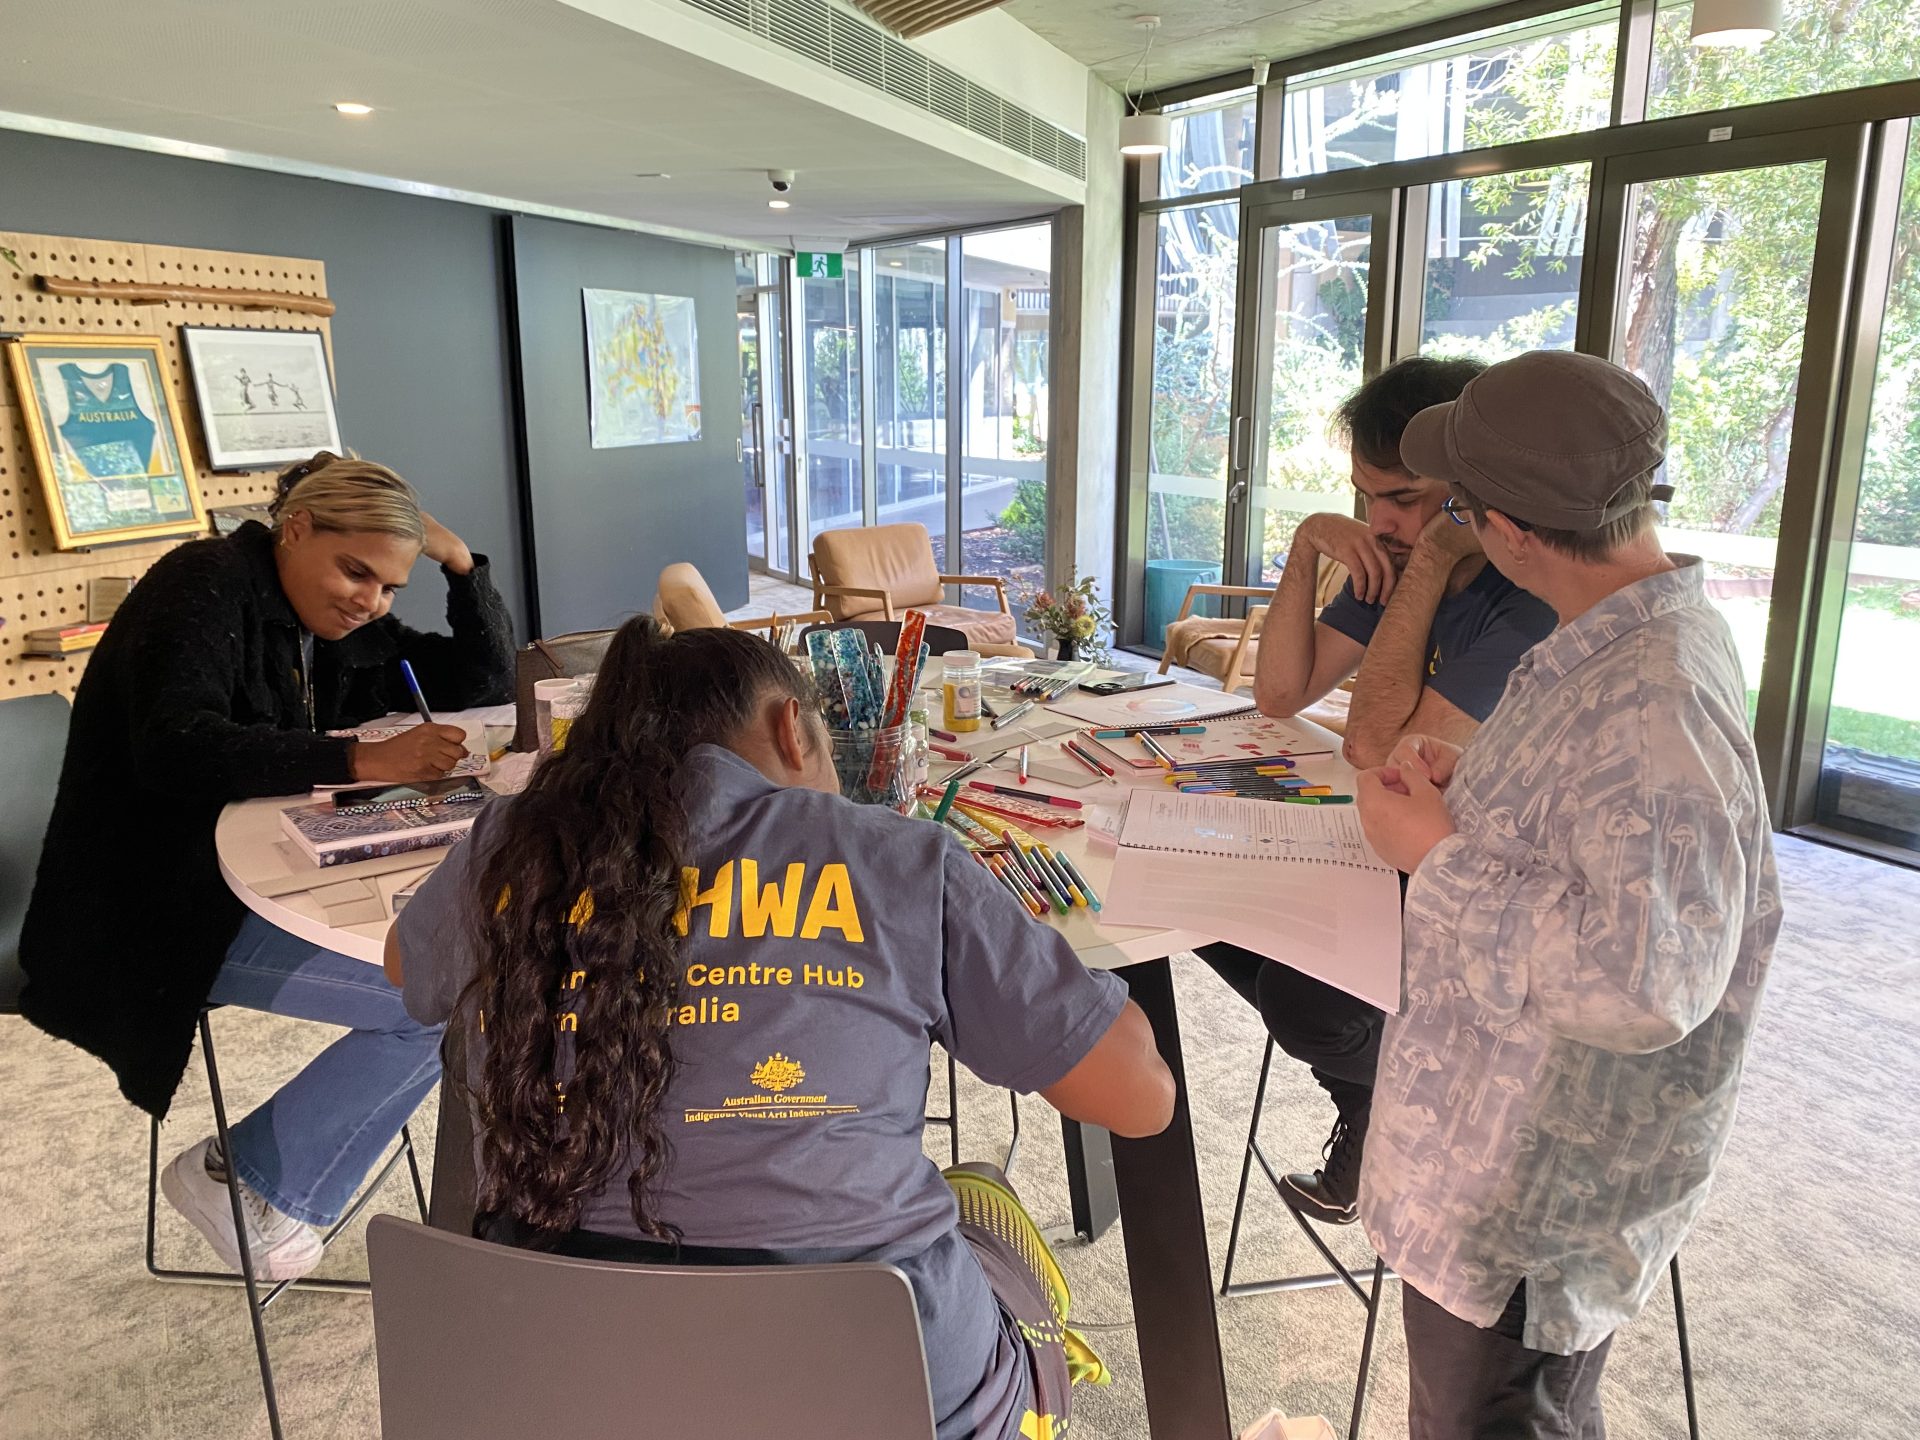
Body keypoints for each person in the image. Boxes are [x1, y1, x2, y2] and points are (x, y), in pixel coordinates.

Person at [387, 619, 1175, 1440]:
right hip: (886, 1398)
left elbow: (406, 965)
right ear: (791, 729)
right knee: (981, 1198)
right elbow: (1141, 1100)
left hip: (555, 1392)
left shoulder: (509, 847)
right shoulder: (894, 858)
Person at [1353, 350, 1780, 1439]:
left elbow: (1644, 981)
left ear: (1510, 531)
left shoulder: (1656, 697)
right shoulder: (1615, 642)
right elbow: (1594, 844)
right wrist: (1482, 799)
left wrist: (1438, 860)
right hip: (1490, 1171)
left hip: (1525, 1212)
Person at [20, 452, 515, 1282]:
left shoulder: (329, 620)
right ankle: (239, 1177)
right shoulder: (204, 582)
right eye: (356, 572)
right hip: (150, 903)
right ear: (295, 529)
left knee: (469, 967)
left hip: (254, 872)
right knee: (448, 994)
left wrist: (463, 568)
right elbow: (174, 748)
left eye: (391, 587)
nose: (371, 601)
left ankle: (269, 1175)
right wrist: (357, 762)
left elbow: (483, 678)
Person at [1200, 356, 1557, 1225]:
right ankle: (1370, 1104)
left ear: (1474, 491)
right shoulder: (1393, 560)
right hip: (1402, 840)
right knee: (1211, 902)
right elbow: (1281, 693)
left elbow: (1373, 746)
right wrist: (1302, 550)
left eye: (1404, 498)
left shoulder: (1526, 603)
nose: (1381, 521)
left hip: (1491, 888)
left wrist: (1432, 558)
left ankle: (1396, 1106)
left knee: (1303, 994)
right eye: (1365, 496)